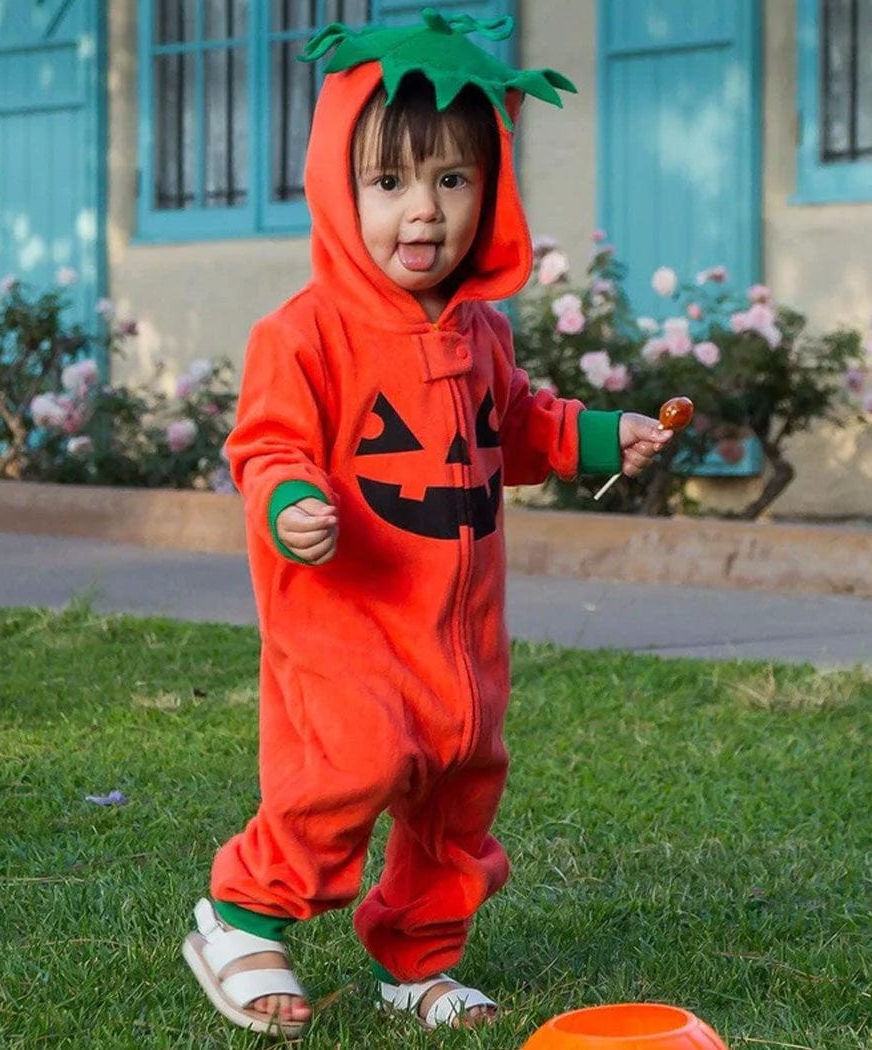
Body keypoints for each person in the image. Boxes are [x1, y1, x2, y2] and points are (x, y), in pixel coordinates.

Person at [182, 9, 673, 1037]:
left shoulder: (480, 331)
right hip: (346, 623)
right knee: (351, 764)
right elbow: (265, 446)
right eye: (391, 182)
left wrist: (595, 437)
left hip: (459, 637)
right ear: (337, 185)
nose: (424, 210)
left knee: (459, 786)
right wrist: (289, 503)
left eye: (452, 180)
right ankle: (238, 913)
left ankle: (417, 961)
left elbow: (521, 424)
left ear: (488, 193)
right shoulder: (305, 334)